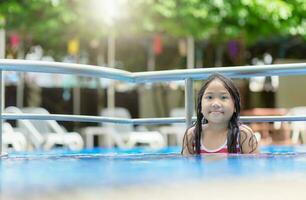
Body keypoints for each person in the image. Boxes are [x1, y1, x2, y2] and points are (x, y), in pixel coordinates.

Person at [182, 73, 259, 155]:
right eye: (209, 97)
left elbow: (254, 166)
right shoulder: (192, 135)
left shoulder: (243, 135)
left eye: (223, 97)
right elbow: (186, 166)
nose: (215, 104)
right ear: (200, 106)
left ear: (235, 106)